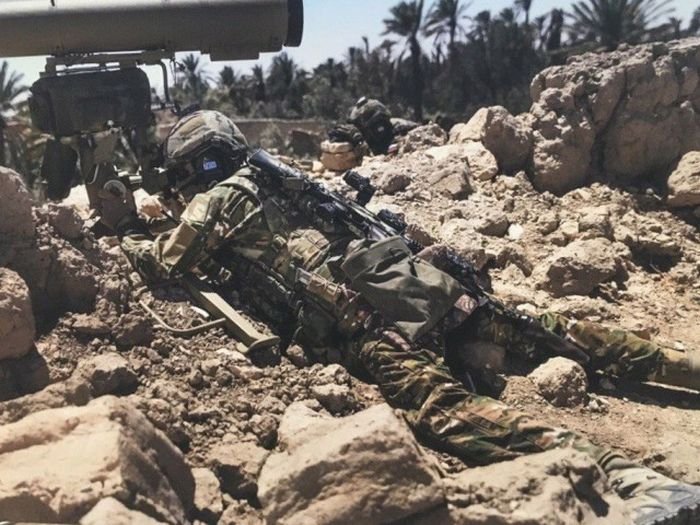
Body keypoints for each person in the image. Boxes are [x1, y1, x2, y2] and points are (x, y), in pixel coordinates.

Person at [111, 110, 700, 525]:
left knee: (441, 411)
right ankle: (683, 366)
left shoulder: (218, 200)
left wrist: (130, 234)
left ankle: (626, 475)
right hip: (426, 288)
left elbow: (165, 261)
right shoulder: (286, 179)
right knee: (547, 330)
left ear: (193, 168)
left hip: (371, 323)